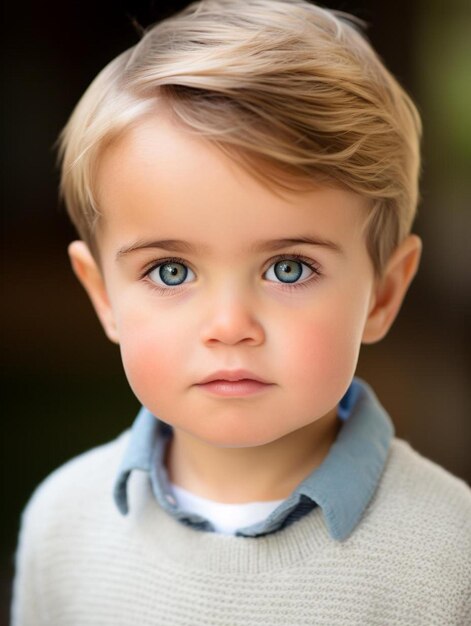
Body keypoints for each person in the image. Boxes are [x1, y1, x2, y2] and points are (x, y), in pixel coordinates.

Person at [11, 1, 471, 624]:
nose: (229, 326)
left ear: (383, 295)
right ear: (102, 295)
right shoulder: (62, 523)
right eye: (170, 271)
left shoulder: (448, 557)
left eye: (288, 268)